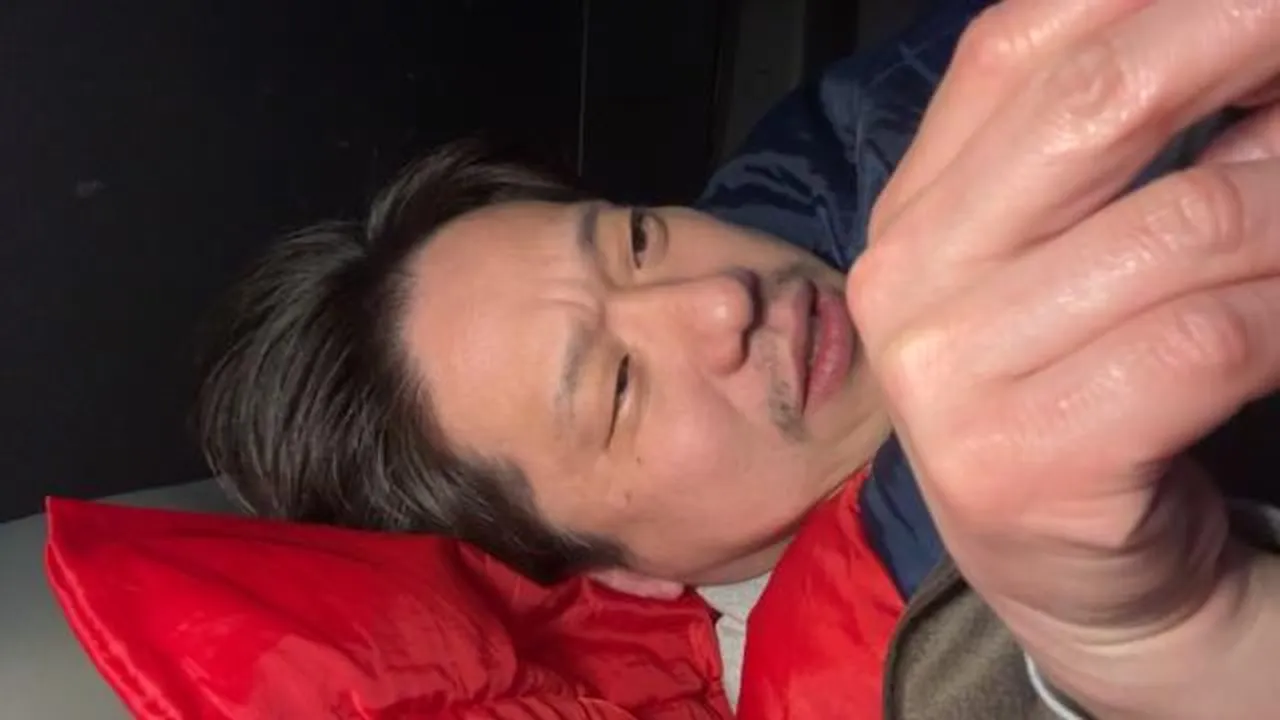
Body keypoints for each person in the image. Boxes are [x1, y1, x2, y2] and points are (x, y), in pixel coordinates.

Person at [197, 0, 1280, 717]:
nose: (721, 301)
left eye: (633, 242)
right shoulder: (931, 672)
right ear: (619, 573)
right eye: (619, 387)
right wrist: (1183, 641)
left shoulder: (844, 141)